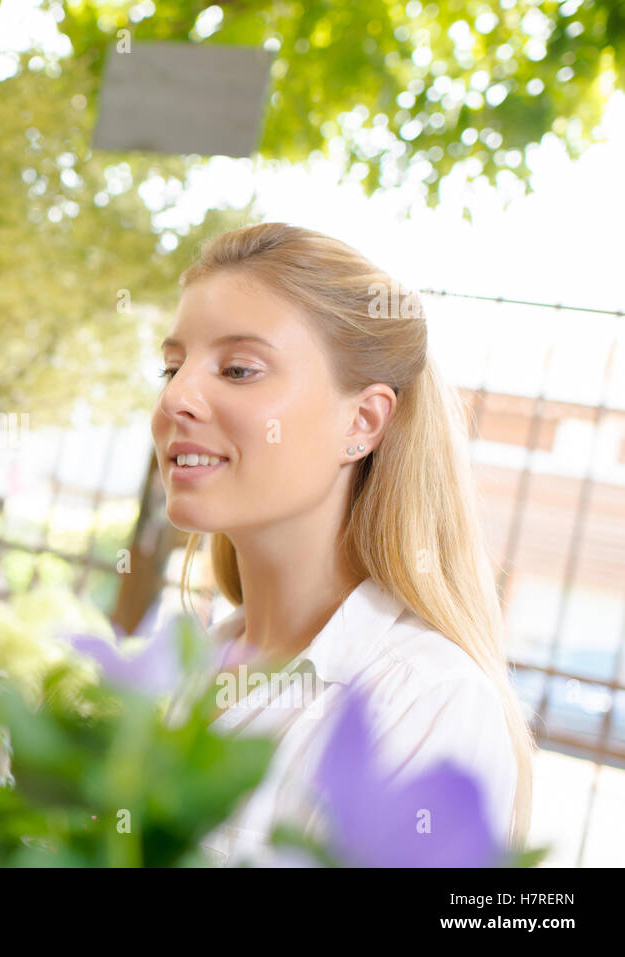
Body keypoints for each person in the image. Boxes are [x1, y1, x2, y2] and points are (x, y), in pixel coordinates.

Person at [155, 222, 534, 865]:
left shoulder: (429, 699)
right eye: (170, 366)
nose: (177, 397)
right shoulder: (187, 669)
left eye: (239, 369)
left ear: (361, 422)